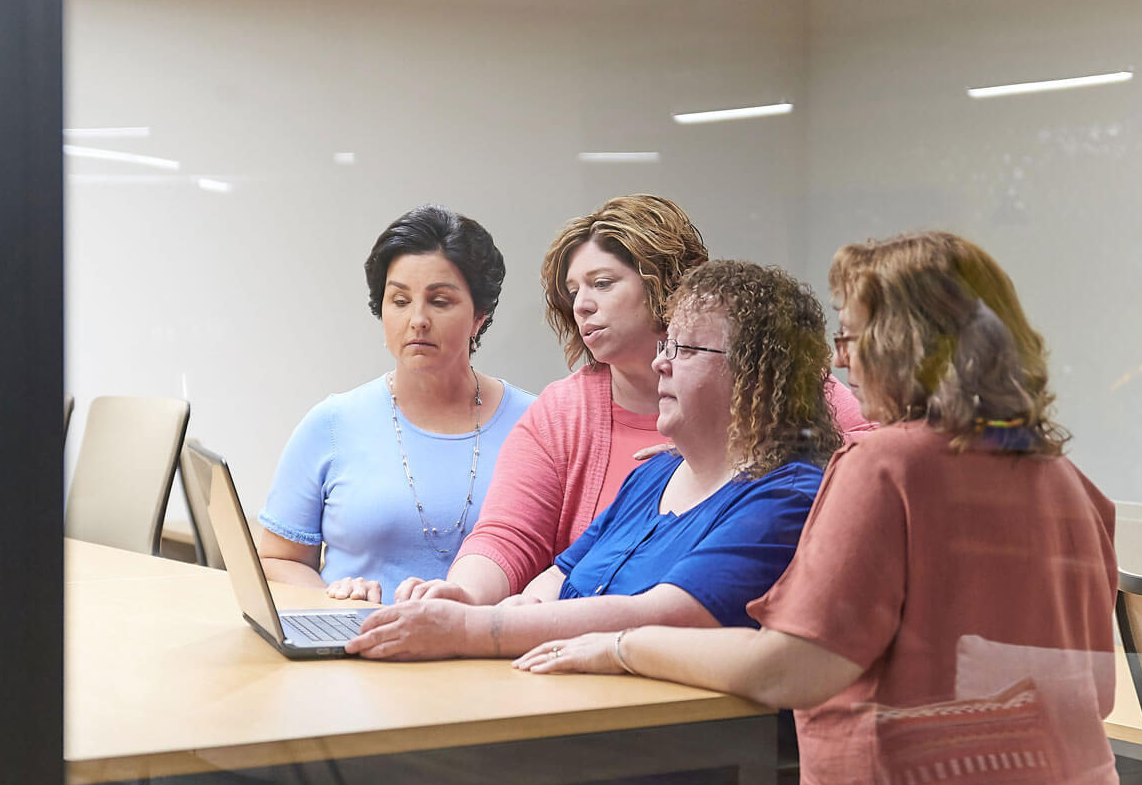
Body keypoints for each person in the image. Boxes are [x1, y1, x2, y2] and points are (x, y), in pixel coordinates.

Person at [519, 232, 1126, 785]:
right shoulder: (1066, 478)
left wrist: (625, 648)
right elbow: (1097, 687)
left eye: (852, 333)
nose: (841, 359)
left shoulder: (885, 468)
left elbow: (790, 668)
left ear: (904, 344)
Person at [343, 259, 841, 659]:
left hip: (642, 762)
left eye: (684, 349)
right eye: (665, 344)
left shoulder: (786, 496)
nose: (660, 361)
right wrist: (500, 606)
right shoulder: (654, 474)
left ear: (756, 375)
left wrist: (476, 628)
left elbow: (665, 614)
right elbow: (559, 575)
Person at [390, 194, 870, 609]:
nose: (581, 305)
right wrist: (467, 597)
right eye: (573, 291)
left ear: (665, 284)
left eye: (602, 283)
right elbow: (510, 536)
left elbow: (874, 475)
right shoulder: (575, 420)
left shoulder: (784, 387)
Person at [256, 205, 536, 602]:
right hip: (354, 651)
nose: (417, 319)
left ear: (479, 317)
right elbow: (278, 560)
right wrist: (331, 599)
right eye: (400, 300)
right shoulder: (333, 423)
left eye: (440, 302)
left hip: (487, 654)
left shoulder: (536, 424)